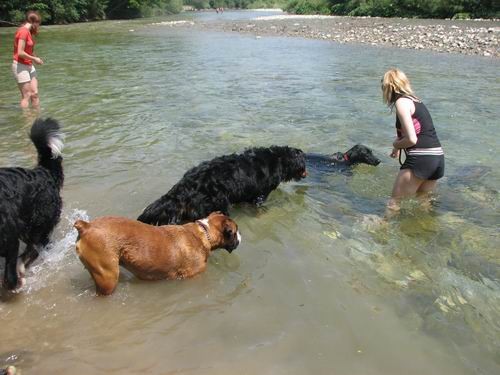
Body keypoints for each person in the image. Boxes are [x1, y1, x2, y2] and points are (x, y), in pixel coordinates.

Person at [381, 68, 444, 215]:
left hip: (421, 159)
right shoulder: (416, 101)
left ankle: (380, 233)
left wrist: (395, 144)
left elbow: (411, 139)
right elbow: (419, 130)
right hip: (437, 158)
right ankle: (424, 232)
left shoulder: (401, 102)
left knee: (394, 203)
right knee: (424, 203)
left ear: (389, 87)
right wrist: (397, 147)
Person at [12, 10, 43, 109]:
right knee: (27, 95)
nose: (38, 26)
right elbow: (20, 53)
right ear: (34, 22)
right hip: (20, 66)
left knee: (35, 93)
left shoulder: (29, 32)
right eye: (38, 23)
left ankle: (37, 117)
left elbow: (28, 51)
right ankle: (26, 121)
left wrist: (36, 58)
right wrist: (34, 58)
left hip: (29, 65)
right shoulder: (23, 32)